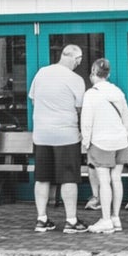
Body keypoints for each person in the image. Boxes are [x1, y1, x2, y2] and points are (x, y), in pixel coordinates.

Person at [27, 43, 87, 235]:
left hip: (41, 134)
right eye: (79, 61)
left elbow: (34, 99)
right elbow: (80, 109)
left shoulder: (41, 73)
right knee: (68, 177)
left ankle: (41, 219)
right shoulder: (76, 79)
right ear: (76, 59)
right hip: (66, 135)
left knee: (42, 177)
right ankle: (70, 221)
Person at [80, 58, 128, 236]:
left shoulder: (91, 94)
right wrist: (123, 135)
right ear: (108, 74)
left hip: (100, 141)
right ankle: (116, 217)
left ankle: (105, 219)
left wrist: (86, 142)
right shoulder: (117, 91)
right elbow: (127, 117)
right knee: (116, 178)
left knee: (104, 181)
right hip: (119, 141)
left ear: (93, 72)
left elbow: (86, 122)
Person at [87, 112, 128, 211]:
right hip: (107, 153)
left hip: (126, 152)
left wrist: (118, 157)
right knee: (92, 161)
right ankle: (95, 197)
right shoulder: (101, 121)